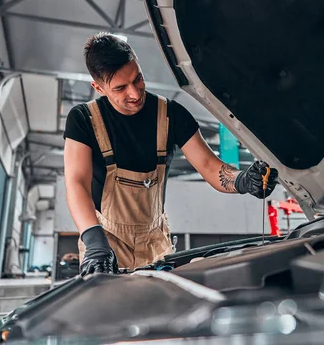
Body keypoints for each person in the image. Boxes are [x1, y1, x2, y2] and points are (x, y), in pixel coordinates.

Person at [63, 33, 279, 276]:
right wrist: (94, 242)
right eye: (121, 88)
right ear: (98, 87)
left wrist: (243, 180)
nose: (135, 94)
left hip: (156, 243)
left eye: (138, 79)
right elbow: (77, 183)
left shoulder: (171, 115)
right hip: (106, 242)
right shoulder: (84, 119)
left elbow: (209, 166)